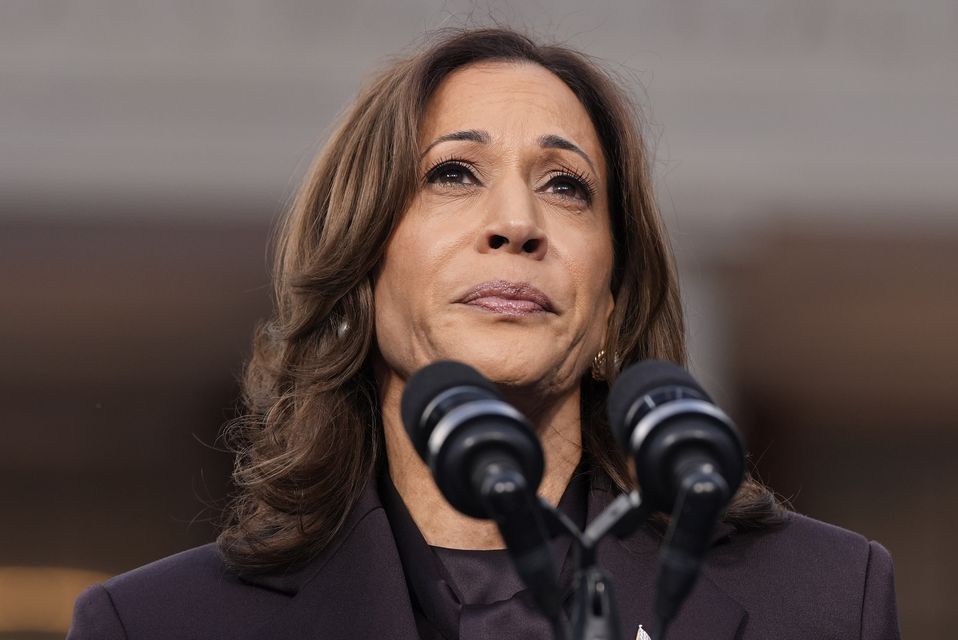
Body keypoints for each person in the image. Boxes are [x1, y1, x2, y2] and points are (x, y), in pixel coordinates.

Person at [68, 27, 900, 640]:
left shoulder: (826, 599)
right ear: (362, 272)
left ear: (611, 302)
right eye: (453, 174)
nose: (516, 222)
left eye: (566, 185)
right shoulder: (157, 625)